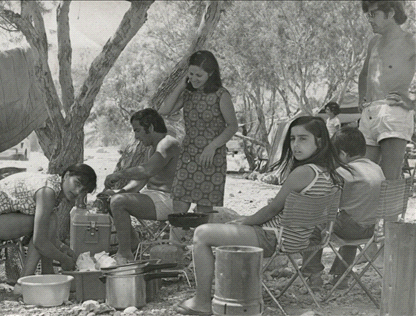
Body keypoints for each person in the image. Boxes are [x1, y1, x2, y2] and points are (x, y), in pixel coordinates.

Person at [175, 116, 346, 315]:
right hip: (302, 239)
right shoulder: (333, 175)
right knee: (233, 226)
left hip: (275, 237)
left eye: (303, 139)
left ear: (320, 141)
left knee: (202, 234)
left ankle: (202, 301)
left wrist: (245, 222)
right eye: (292, 139)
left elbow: (272, 210)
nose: (295, 145)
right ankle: (237, 293)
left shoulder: (304, 173)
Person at [0, 164, 97, 279]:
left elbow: (44, 232)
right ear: (66, 175)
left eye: (83, 191)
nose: (78, 191)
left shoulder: (53, 186)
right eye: (77, 183)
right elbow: (40, 241)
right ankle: (24, 283)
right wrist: (64, 259)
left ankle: (47, 274)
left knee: (51, 220)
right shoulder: (47, 191)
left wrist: (63, 248)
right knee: (49, 222)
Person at [301, 126, 385, 290]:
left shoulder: (344, 171)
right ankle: (341, 277)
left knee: (312, 227)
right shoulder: (377, 169)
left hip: (351, 228)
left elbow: (326, 201)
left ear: (343, 154)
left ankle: (313, 275)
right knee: (351, 220)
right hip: (372, 229)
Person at [158, 50, 238, 217]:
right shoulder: (188, 94)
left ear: (211, 73)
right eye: (191, 73)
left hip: (211, 156)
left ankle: (199, 241)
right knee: (179, 204)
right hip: (188, 154)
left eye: (199, 75)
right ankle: (178, 240)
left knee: (203, 211)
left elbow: (232, 126)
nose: (194, 78)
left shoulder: (221, 95)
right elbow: (164, 110)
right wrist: (181, 85)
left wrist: (212, 147)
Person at [103, 108, 181, 264]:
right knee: (111, 198)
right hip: (153, 196)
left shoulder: (167, 143)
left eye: (137, 130)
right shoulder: (152, 148)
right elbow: (141, 181)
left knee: (118, 202)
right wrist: (120, 191)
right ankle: (131, 244)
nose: (136, 136)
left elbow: (148, 170)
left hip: (170, 200)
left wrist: (119, 174)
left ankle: (124, 254)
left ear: (150, 127)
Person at [358, 0, 416, 180]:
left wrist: (412, 102)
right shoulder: (373, 42)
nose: (369, 20)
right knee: (364, 177)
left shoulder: (411, 41)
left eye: (372, 14)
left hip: (394, 112)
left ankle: (394, 209)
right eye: (367, 15)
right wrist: (362, 100)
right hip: (369, 113)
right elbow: (364, 74)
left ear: (390, 13)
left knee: (389, 177)